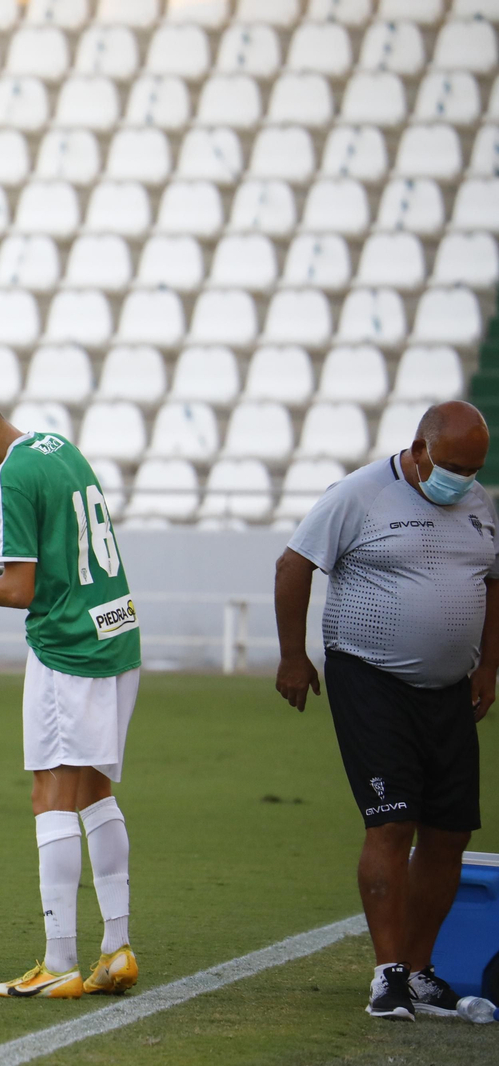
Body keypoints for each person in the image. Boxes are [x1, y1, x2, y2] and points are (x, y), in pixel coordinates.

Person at [0, 373, 140, 1000]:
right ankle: (115, 949)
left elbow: (19, 591)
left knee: (51, 796)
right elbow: (39, 566)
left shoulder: (9, 474)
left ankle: (59, 961)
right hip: (116, 636)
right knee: (96, 792)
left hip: (69, 651)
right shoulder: (56, 447)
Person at [275, 400, 496, 1022]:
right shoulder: (359, 495)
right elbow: (293, 565)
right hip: (370, 676)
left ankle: (423, 971)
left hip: (450, 689)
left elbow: (492, 581)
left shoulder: (478, 502)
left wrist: (487, 667)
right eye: (452, 465)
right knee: (392, 823)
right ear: (420, 450)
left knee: (451, 831)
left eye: (474, 469)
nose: (462, 479)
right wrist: (294, 656)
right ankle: (389, 973)